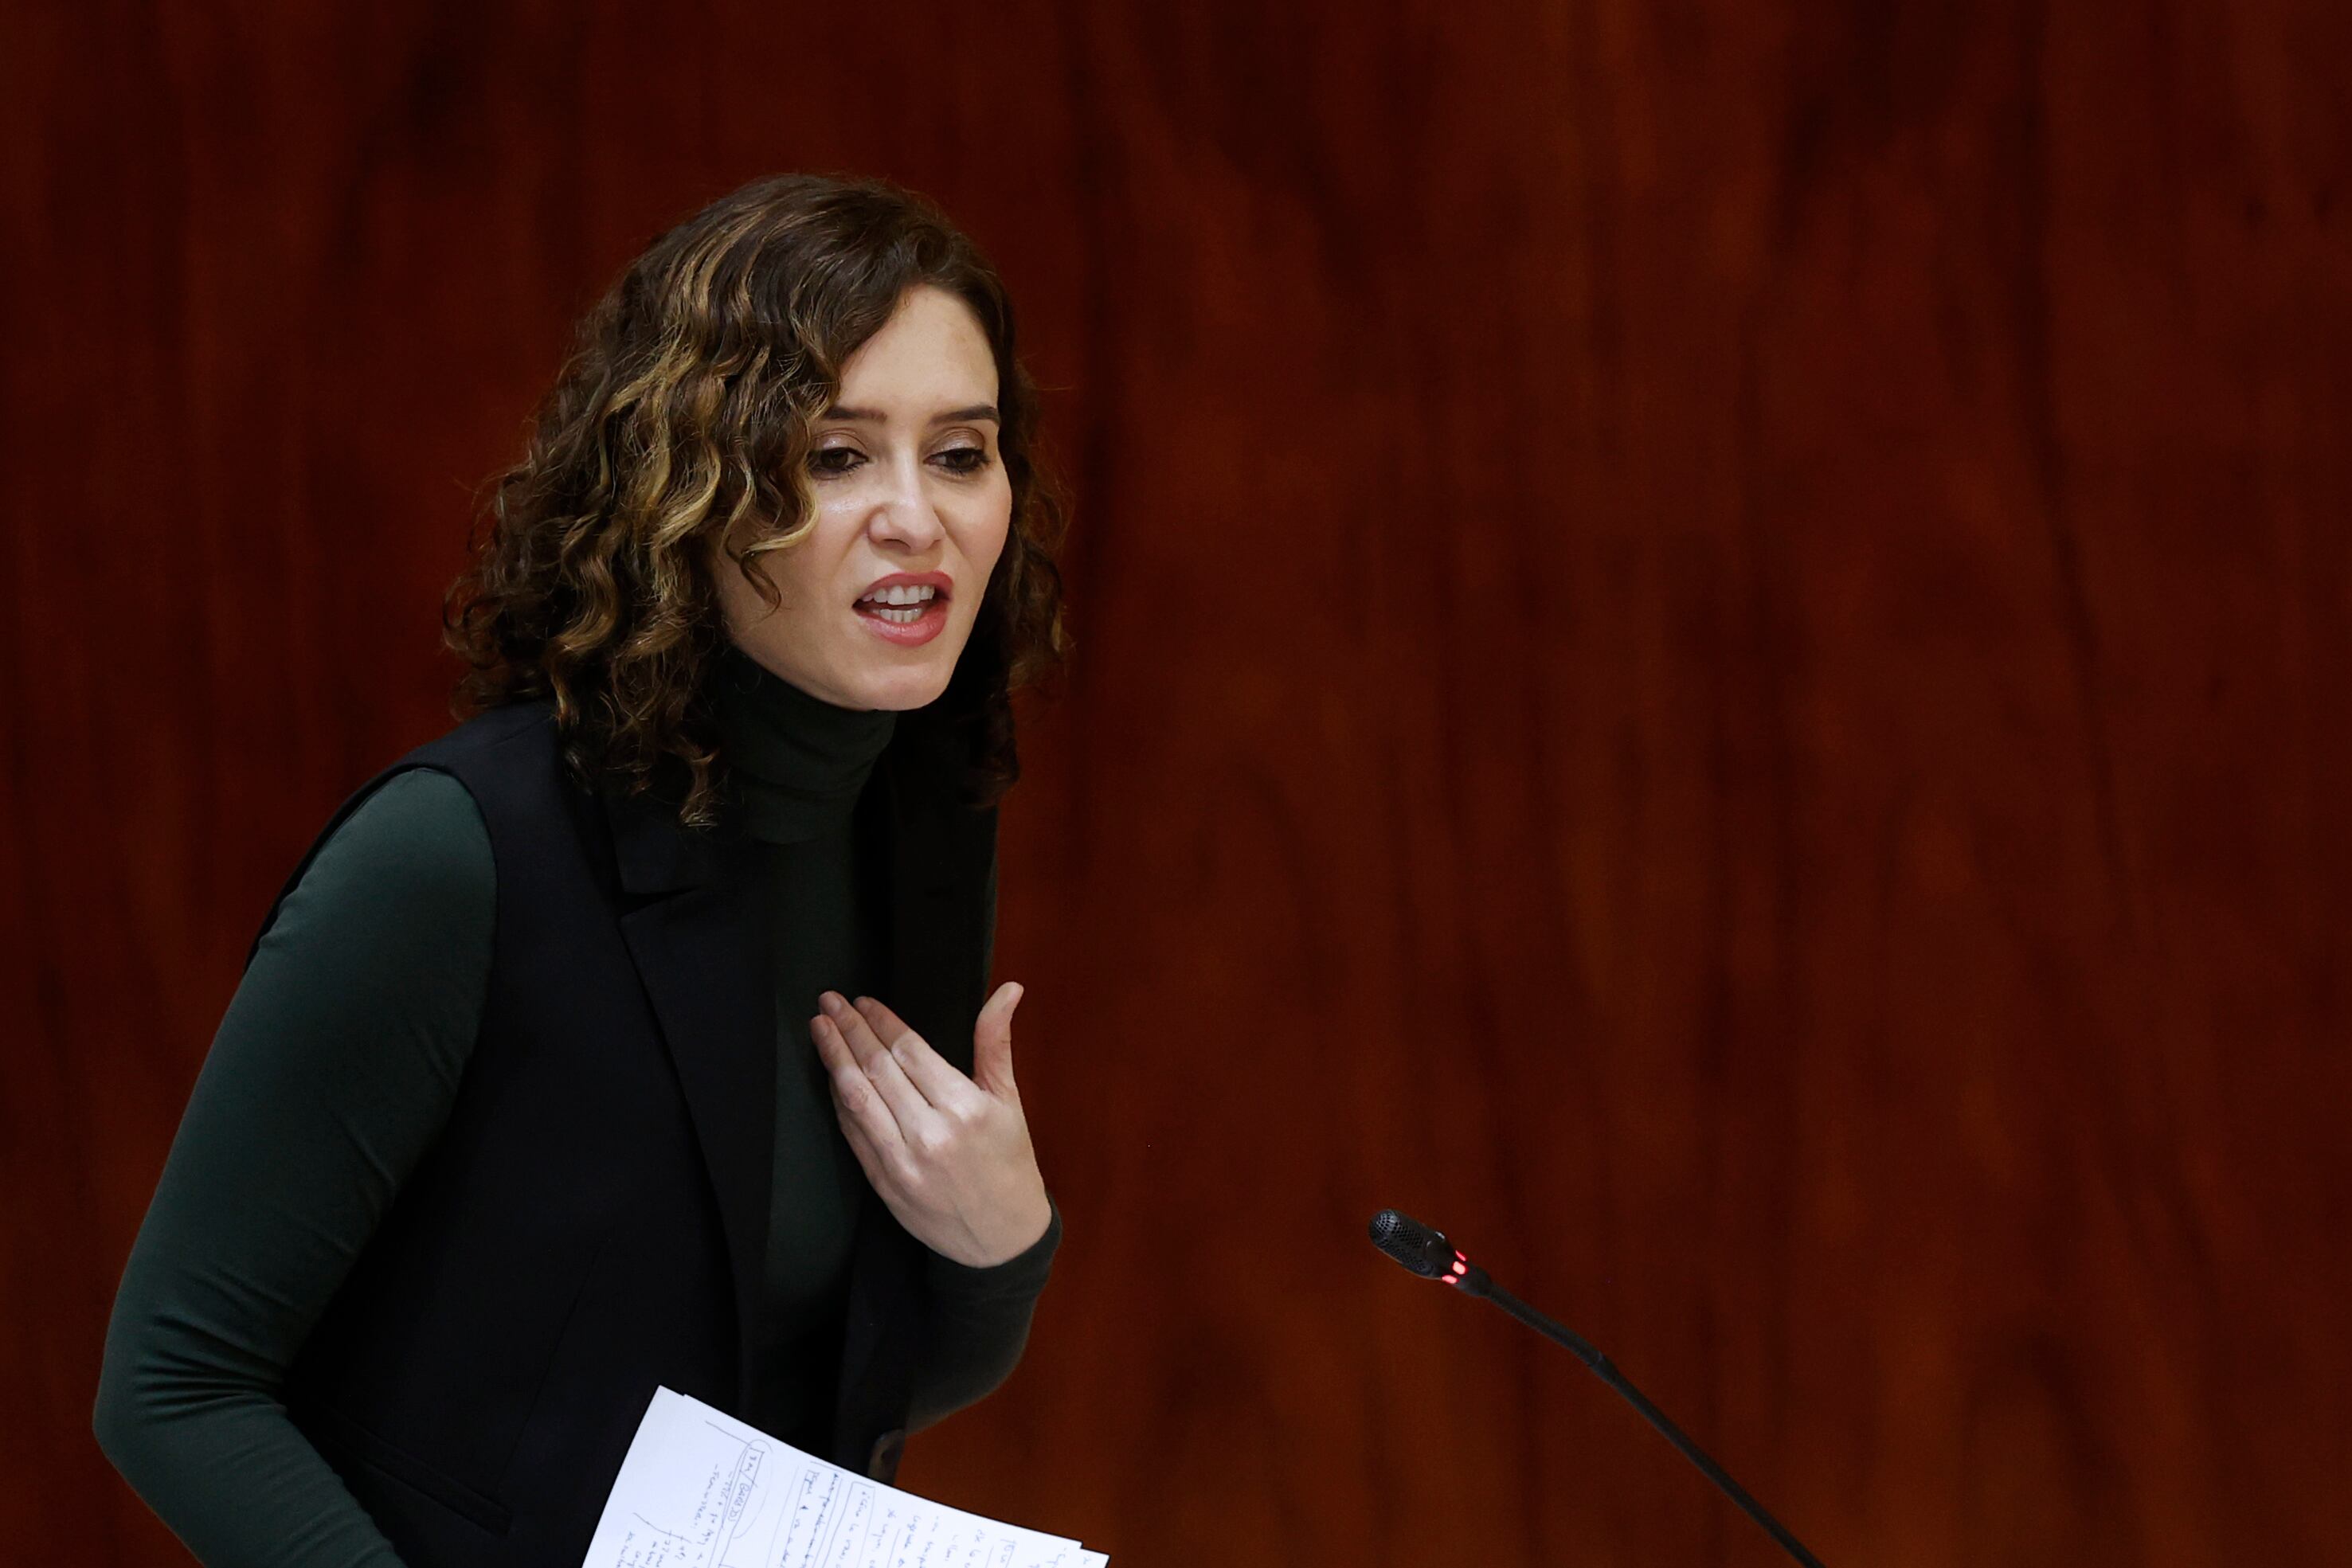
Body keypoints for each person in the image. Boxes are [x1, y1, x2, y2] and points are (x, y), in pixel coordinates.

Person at [92, 172, 1074, 1567]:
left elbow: (837, 1385)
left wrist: (1001, 1239)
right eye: (837, 453)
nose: (916, 517)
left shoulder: (913, 813)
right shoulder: (454, 855)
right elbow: (174, 1389)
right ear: (688, 482)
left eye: (960, 452)